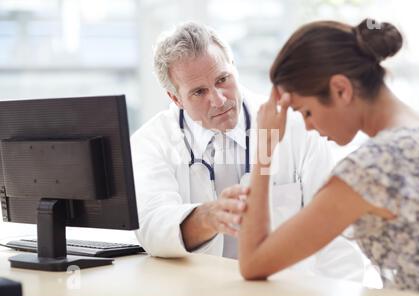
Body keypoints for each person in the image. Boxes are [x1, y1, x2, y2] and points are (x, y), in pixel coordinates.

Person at [131, 21, 368, 281]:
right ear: (175, 98)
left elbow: (336, 235)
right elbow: (151, 227)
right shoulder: (151, 142)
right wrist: (208, 218)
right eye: (199, 92)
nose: (219, 100)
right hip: (198, 293)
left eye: (223, 79)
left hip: (285, 291)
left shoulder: (297, 126)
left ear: (234, 67)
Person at [239, 18, 419, 296]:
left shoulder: (374, 168)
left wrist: (265, 147)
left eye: (306, 112)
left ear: (341, 89)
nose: (308, 126)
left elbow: (254, 262)